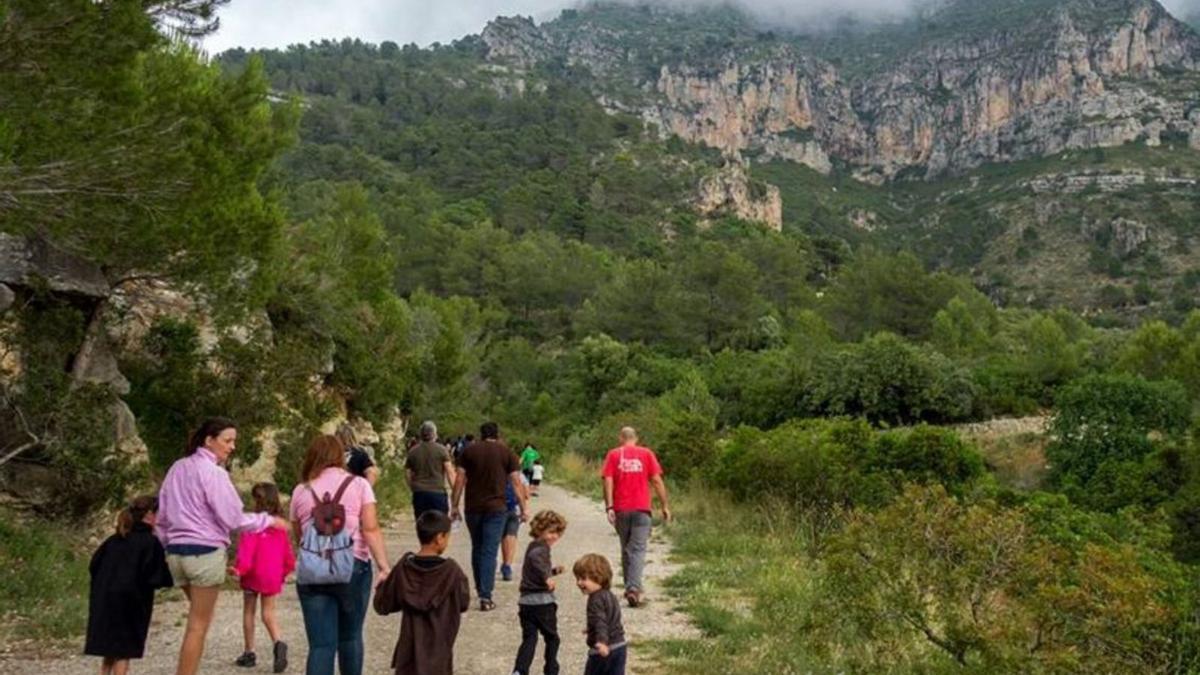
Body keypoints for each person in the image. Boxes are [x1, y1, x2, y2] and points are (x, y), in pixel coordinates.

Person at [158, 417, 289, 675]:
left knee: (197, 619)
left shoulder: (177, 468)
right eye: (227, 441)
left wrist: (165, 544)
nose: (232, 447)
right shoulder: (213, 473)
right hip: (204, 553)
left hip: (176, 552)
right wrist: (269, 520)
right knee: (198, 625)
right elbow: (233, 519)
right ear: (209, 440)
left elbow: (162, 515)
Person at [290, 434, 391, 675]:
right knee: (350, 638)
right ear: (339, 456)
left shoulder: (301, 490)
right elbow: (370, 529)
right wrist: (384, 566)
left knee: (320, 646)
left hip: (313, 571)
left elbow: (300, 536)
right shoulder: (359, 485)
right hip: (352, 566)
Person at [373, 510, 470, 675]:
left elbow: (382, 605)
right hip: (439, 651)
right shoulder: (452, 572)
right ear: (439, 538)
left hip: (409, 653)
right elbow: (463, 603)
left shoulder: (404, 568)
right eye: (447, 537)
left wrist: (381, 585)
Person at [85, 496, 173, 675]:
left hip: (104, 599)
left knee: (109, 650)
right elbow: (157, 577)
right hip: (132, 602)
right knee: (124, 651)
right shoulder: (150, 542)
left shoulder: (113, 540)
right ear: (149, 515)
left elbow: (94, 565)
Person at [451, 421, 529, 611]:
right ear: (497, 434)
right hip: (496, 508)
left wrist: (454, 505)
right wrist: (523, 506)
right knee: (489, 550)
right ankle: (485, 596)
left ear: (481, 434)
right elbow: (516, 483)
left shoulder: (468, 452)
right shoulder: (506, 453)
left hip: (473, 508)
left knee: (477, 548)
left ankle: (480, 588)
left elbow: (459, 479)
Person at [601, 426, 671, 608]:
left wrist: (609, 505)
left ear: (620, 438)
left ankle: (630, 587)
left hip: (621, 509)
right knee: (638, 549)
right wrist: (664, 506)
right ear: (636, 438)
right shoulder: (646, 454)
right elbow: (656, 480)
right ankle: (633, 588)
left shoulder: (613, 455)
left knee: (626, 548)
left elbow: (607, 480)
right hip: (642, 509)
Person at [230, 483, 295, 673]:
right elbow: (288, 556)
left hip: (252, 575)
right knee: (268, 613)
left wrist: (239, 569)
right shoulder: (279, 526)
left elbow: (247, 554)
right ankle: (278, 641)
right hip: (272, 574)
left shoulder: (252, 525)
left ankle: (249, 652)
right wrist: (284, 572)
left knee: (249, 611)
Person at [512, 510, 568, 675]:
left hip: (526, 603)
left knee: (529, 638)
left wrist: (553, 571)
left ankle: (520, 670)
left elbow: (535, 567)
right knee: (552, 639)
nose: (554, 536)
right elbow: (537, 561)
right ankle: (551, 670)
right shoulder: (541, 549)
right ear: (539, 530)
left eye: (558, 532)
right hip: (542, 602)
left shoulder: (533, 545)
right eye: (550, 532)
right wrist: (547, 578)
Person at [573, 554, 626, 675]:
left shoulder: (595, 600)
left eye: (583, 579)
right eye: (577, 579)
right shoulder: (609, 595)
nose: (578, 583)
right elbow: (610, 618)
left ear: (598, 578)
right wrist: (591, 628)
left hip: (603, 650)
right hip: (620, 645)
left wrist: (602, 642)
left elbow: (600, 621)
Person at [404, 420, 455, 519]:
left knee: (422, 523)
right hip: (437, 492)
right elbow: (450, 472)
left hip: (420, 493)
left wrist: (413, 487)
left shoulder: (413, 451)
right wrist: (455, 490)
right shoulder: (442, 450)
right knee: (440, 524)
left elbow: (407, 473)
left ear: (421, 434)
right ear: (434, 434)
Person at [500, 474, 528, 582]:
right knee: (511, 536)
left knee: (502, 537)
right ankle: (507, 565)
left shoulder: (497, 472)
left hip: (497, 509)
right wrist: (524, 509)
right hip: (514, 510)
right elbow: (526, 494)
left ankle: (502, 565)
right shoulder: (520, 476)